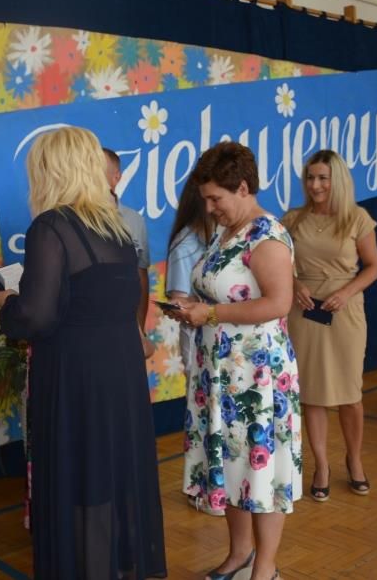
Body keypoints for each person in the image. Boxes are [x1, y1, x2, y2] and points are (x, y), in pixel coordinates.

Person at [0, 126, 167, 579]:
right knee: (111, 474)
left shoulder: (52, 227)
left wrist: (6, 305)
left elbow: (36, 316)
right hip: (121, 375)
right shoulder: (116, 228)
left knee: (78, 477)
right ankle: (113, 567)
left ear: (49, 171)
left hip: (75, 376)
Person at [168, 142, 300, 580]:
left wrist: (210, 314)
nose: (209, 208)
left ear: (243, 188)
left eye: (215, 199)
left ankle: (265, 567)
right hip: (220, 374)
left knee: (261, 470)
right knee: (229, 464)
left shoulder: (267, 236)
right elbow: (221, 292)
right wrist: (192, 308)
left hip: (255, 379)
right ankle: (240, 553)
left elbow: (278, 303)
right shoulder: (227, 232)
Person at [282, 150, 377, 502]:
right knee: (312, 394)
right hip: (304, 311)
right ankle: (321, 465)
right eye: (310, 178)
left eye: (322, 178)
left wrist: (346, 292)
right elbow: (279, 263)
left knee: (350, 394)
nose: (315, 185)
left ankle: (354, 459)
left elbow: (373, 266)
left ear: (337, 180)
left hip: (345, 312)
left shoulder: (357, 218)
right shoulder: (292, 219)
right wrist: (295, 284)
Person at [166, 164, 220, 513]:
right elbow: (179, 299)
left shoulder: (230, 237)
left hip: (227, 340)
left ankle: (224, 485)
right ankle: (205, 486)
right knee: (204, 412)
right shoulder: (187, 242)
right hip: (199, 339)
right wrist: (199, 308)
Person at [103, 147, 154, 357]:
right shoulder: (72, 220)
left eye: (98, 171)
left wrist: (139, 331)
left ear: (116, 177)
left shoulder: (134, 220)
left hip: (126, 328)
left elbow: (141, 276)